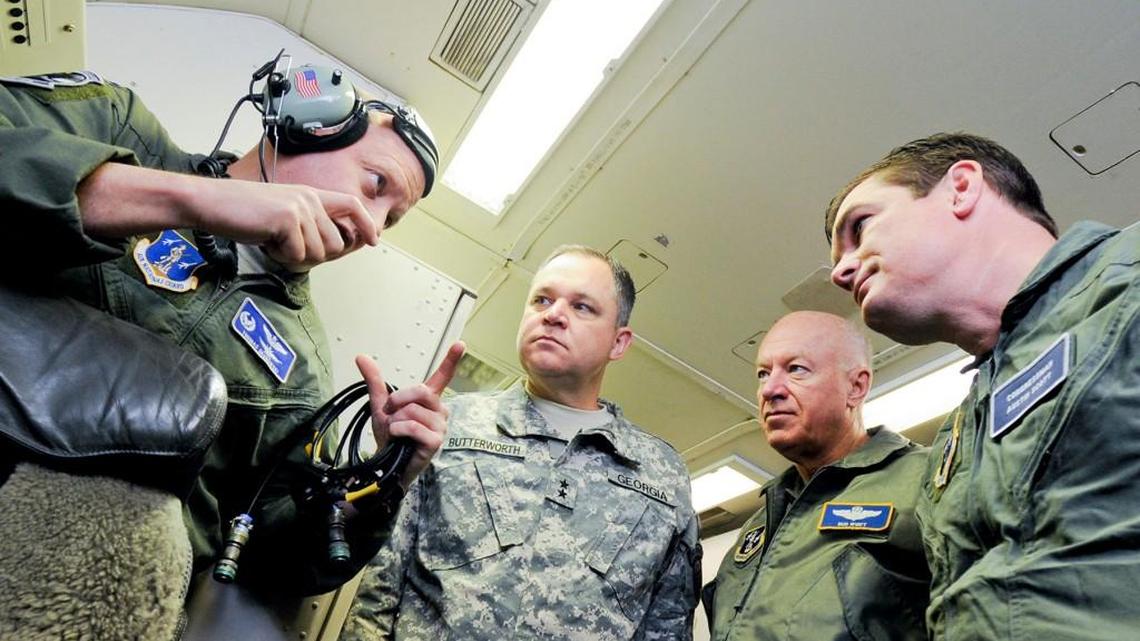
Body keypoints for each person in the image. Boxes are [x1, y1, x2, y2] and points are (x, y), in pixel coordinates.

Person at [0, 64, 463, 595]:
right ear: (309, 123)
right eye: (375, 184)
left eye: (391, 219)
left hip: (95, 581)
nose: (373, 228)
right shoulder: (118, 126)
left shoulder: (301, 365)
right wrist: (192, 199)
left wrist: (383, 477)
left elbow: (279, 559)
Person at [826, 132, 1140, 639]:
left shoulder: (1129, 276)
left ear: (962, 187)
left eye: (860, 227)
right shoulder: (956, 437)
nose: (840, 271)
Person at [343, 245, 702, 640]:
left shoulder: (660, 472)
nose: (553, 315)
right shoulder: (446, 425)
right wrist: (384, 467)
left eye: (582, 307)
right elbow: (381, 585)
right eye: (542, 300)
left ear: (619, 343)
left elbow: (666, 626)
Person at [702, 311, 929, 641]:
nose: (770, 390)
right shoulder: (759, 525)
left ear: (856, 386)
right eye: (763, 374)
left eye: (796, 369)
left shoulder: (923, 480)